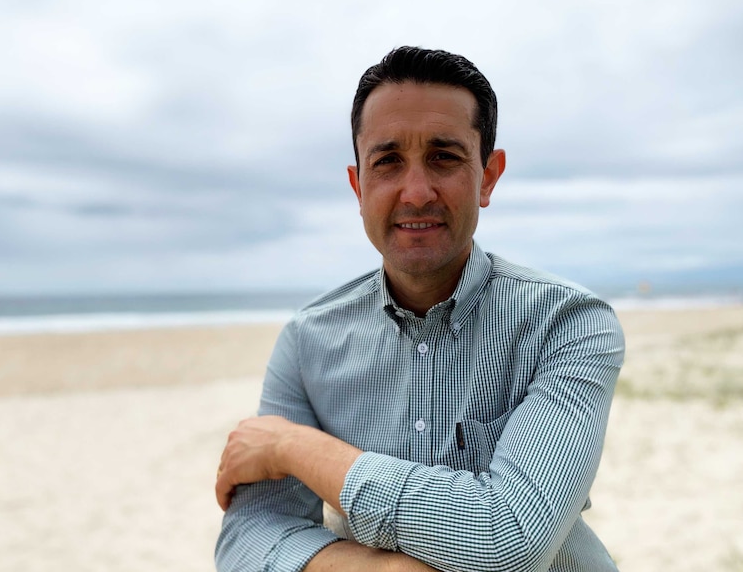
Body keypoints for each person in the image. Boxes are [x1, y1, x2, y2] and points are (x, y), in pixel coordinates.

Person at [215, 46, 625, 572]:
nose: (416, 192)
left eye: (444, 157)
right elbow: (248, 539)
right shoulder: (309, 339)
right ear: (357, 185)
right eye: (387, 161)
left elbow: (510, 541)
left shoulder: (568, 324)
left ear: (489, 176)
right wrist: (384, 569)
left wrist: (295, 448)